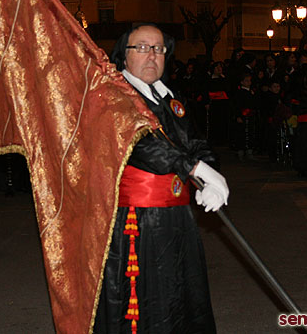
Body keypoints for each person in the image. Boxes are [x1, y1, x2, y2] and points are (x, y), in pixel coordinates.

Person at [95, 23, 228, 333]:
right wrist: (198, 170)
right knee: (149, 299)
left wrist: (211, 174)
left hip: (178, 215)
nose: (151, 55)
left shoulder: (170, 98)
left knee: (184, 294)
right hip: (140, 222)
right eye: (141, 47)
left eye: (158, 48)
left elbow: (195, 141)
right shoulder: (115, 98)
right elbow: (146, 148)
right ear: (123, 56)